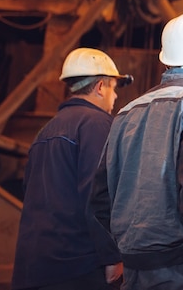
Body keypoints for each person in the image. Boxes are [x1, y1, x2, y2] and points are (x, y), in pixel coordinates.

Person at [90, 12, 183, 290]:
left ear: (166, 59)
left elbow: (99, 196)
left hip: (135, 269)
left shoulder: (127, 112)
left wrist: (130, 246)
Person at [12, 47, 133, 290]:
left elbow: (31, 192)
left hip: (35, 266)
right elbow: (98, 193)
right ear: (100, 87)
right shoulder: (97, 124)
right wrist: (112, 256)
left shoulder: (45, 131)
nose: (115, 97)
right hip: (79, 269)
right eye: (113, 88)